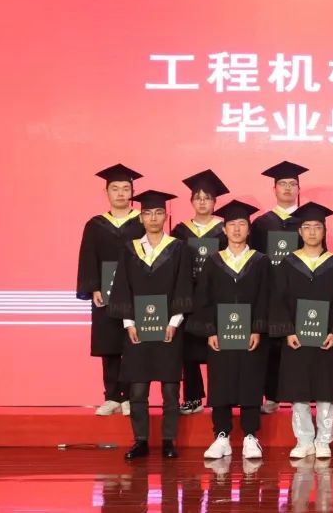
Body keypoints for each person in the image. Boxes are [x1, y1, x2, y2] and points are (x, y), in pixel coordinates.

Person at [108, 190, 193, 459]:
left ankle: (168, 441)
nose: (153, 218)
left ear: (166, 216)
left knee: (170, 389)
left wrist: (175, 322)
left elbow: (183, 285)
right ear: (141, 218)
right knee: (137, 389)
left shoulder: (178, 248)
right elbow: (123, 286)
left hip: (169, 328)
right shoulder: (129, 249)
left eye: (158, 213)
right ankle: (141, 441)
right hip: (138, 329)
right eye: (148, 213)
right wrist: (129, 323)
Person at [192, 200, 272, 460]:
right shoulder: (213, 262)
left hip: (251, 334)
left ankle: (250, 436)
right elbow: (203, 298)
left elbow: (265, 296)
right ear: (224, 230)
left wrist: (257, 328)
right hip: (221, 334)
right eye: (232, 225)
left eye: (242, 224)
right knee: (221, 381)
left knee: (251, 380)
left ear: (249, 229)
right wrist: (211, 330)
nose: (237, 229)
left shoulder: (260, 261)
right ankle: (221, 436)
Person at [269, 202, 333, 459]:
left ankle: (324, 440)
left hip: (325, 338)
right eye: (307, 227)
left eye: (317, 227)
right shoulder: (287, 264)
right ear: (300, 232)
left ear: (324, 231)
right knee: (298, 391)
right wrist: (288, 331)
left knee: (325, 390)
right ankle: (303, 440)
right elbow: (278, 300)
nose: (312, 232)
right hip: (297, 338)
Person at [76, 163, 145, 416]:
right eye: (115, 189)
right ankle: (112, 396)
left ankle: (130, 397)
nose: (120, 193)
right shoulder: (95, 225)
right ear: (106, 192)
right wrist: (93, 287)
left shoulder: (142, 222)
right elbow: (88, 257)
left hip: (136, 293)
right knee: (109, 343)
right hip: (105, 293)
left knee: (133, 342)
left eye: (125, 188)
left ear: (132, 192)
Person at [251, 160, 310, 415]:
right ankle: (272, 396)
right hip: (269, 292)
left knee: (299, 346)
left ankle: (301, 395)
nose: (287, 188)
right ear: (274, 189)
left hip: (299, 294)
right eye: (282, 184)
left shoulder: (307, 221)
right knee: (271, 347)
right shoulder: (262, 223)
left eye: (292, 184)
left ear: (298, 189)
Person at [171, 169, 229, 416]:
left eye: (207, 198)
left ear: (215, 202)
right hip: (189, 296)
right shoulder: (180, 232)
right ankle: (193, 398)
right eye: (198, 198)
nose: (203, 202)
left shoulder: (226, 230)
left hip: (218, 297)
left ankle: (222, 398)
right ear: (191, 201)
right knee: (188, 350)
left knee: (220, 348)